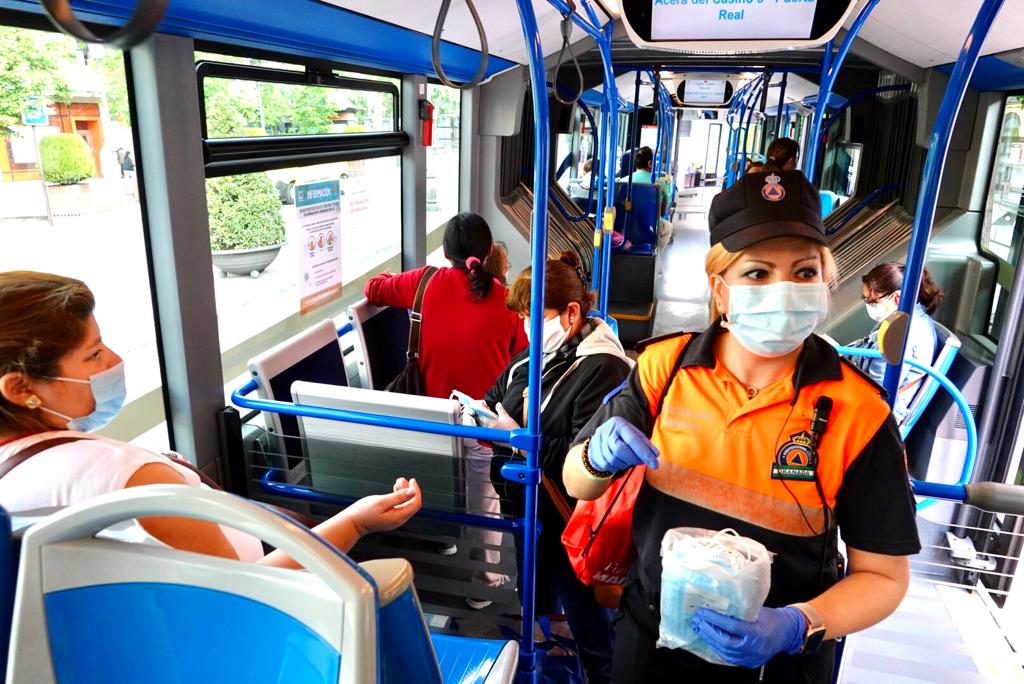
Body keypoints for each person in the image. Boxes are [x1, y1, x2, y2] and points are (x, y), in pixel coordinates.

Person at [562, 171, 920, 683]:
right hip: (649, 644)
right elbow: (577, 481)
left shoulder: (859, 413)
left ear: (825, 282)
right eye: (756, 273)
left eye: (803, 272)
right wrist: (596, 457)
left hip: (779, 664)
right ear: (720, 290)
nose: (783, 290)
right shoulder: (663, 369)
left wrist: (799, 624)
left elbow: (884, 576)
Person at [0, 272, 423, 569]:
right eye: (93, 354)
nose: (114, 361)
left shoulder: (24, 474)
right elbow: (251, 590)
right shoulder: (124, 476)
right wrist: (355, 522)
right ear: (20, 389)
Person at [476, 252, 632, 683]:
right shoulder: (534, 357)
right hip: (531, 501)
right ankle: (548, 643)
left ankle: (603, 672)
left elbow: (587, 457)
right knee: (540, 587)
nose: (526, 327)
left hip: (571, 513)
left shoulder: (603, 368)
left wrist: (520, 438)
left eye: (532, 315)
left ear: (571, 314)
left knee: (585, 610)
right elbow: (495, 392)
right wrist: (480, 413)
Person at [365, 212, 528, 400]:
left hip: (432, 416)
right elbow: (521, 364)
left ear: (445, 253)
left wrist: (391, 278)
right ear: (490, 250)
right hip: (486, 421)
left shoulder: (424, 282)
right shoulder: (509, 301)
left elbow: (373, 289)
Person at [848, 262, 942, 422]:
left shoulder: (902, 336)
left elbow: (876, 390)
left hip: (875, 415)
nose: (868, 306)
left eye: (872, 302)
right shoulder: (903, 320)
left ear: (897, 298)